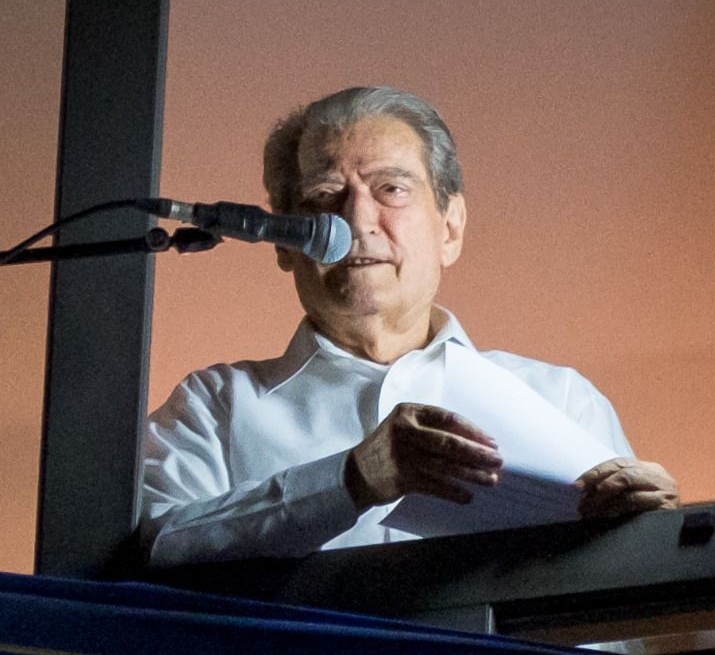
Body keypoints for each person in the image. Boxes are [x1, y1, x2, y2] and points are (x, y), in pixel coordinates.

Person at [140, 86, 677, 567]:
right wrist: (351, 480)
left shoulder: (563, 401)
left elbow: (642, 633)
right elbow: (150, 548)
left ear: (450, 228)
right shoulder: (214, 408)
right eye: (324, 197)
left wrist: (658, 548)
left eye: (391, 189)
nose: (355, 221)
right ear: (283, 243)